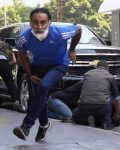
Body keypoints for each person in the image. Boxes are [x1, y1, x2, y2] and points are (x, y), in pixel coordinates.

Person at [13, 7, 82, 142]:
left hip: (58, 65)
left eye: (43, 22)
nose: (39, 26)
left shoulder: (60, 33)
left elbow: (78, 29)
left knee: (44, 87)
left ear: (49, 22)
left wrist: (72, 49)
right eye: (35, 22)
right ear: (30, 22)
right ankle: (44, 125)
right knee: (39, 97)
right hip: (37, 67)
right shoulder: (24, 38)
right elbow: (21, 54)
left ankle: (26, 126)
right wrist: (29, 73)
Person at [72, 60, 120, 129]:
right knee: (110, 96)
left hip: (84, 105)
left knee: (76, 117)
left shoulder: (87, 74)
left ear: (96, 67)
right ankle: (106, 123)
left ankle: (85, 120)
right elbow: (117, 99)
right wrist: (117, 114)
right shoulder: (110, 77)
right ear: (107, 68)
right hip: (101, 107)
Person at [0, 41, 22, 112]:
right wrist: (6, 66)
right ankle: (16, 101)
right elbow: (14, 61)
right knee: (10, 83)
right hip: (4, 61)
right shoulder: (5, 44)